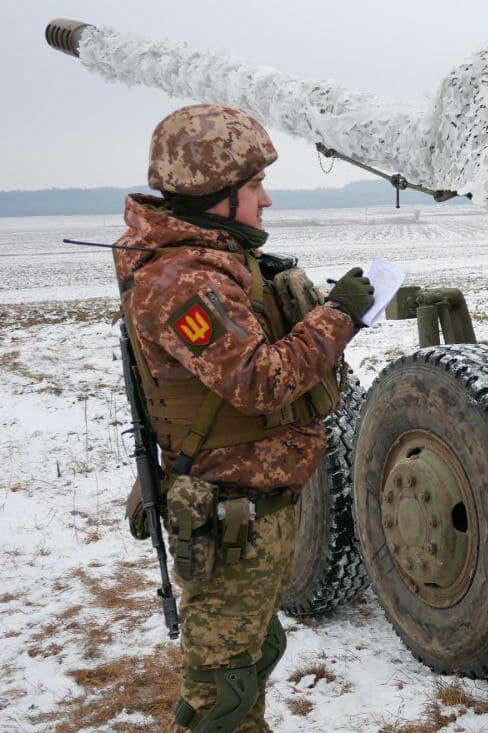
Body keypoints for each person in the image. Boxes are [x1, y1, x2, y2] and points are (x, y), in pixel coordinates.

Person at [114, 104, 374, 732]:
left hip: (253, 509)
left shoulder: (215, 263)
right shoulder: (182, 284)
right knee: (222, 692)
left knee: (254, 658)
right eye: (254, 187)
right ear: (215, 194)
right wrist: (338, 316)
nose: (267, 201)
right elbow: (260, 380)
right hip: (229, 515)